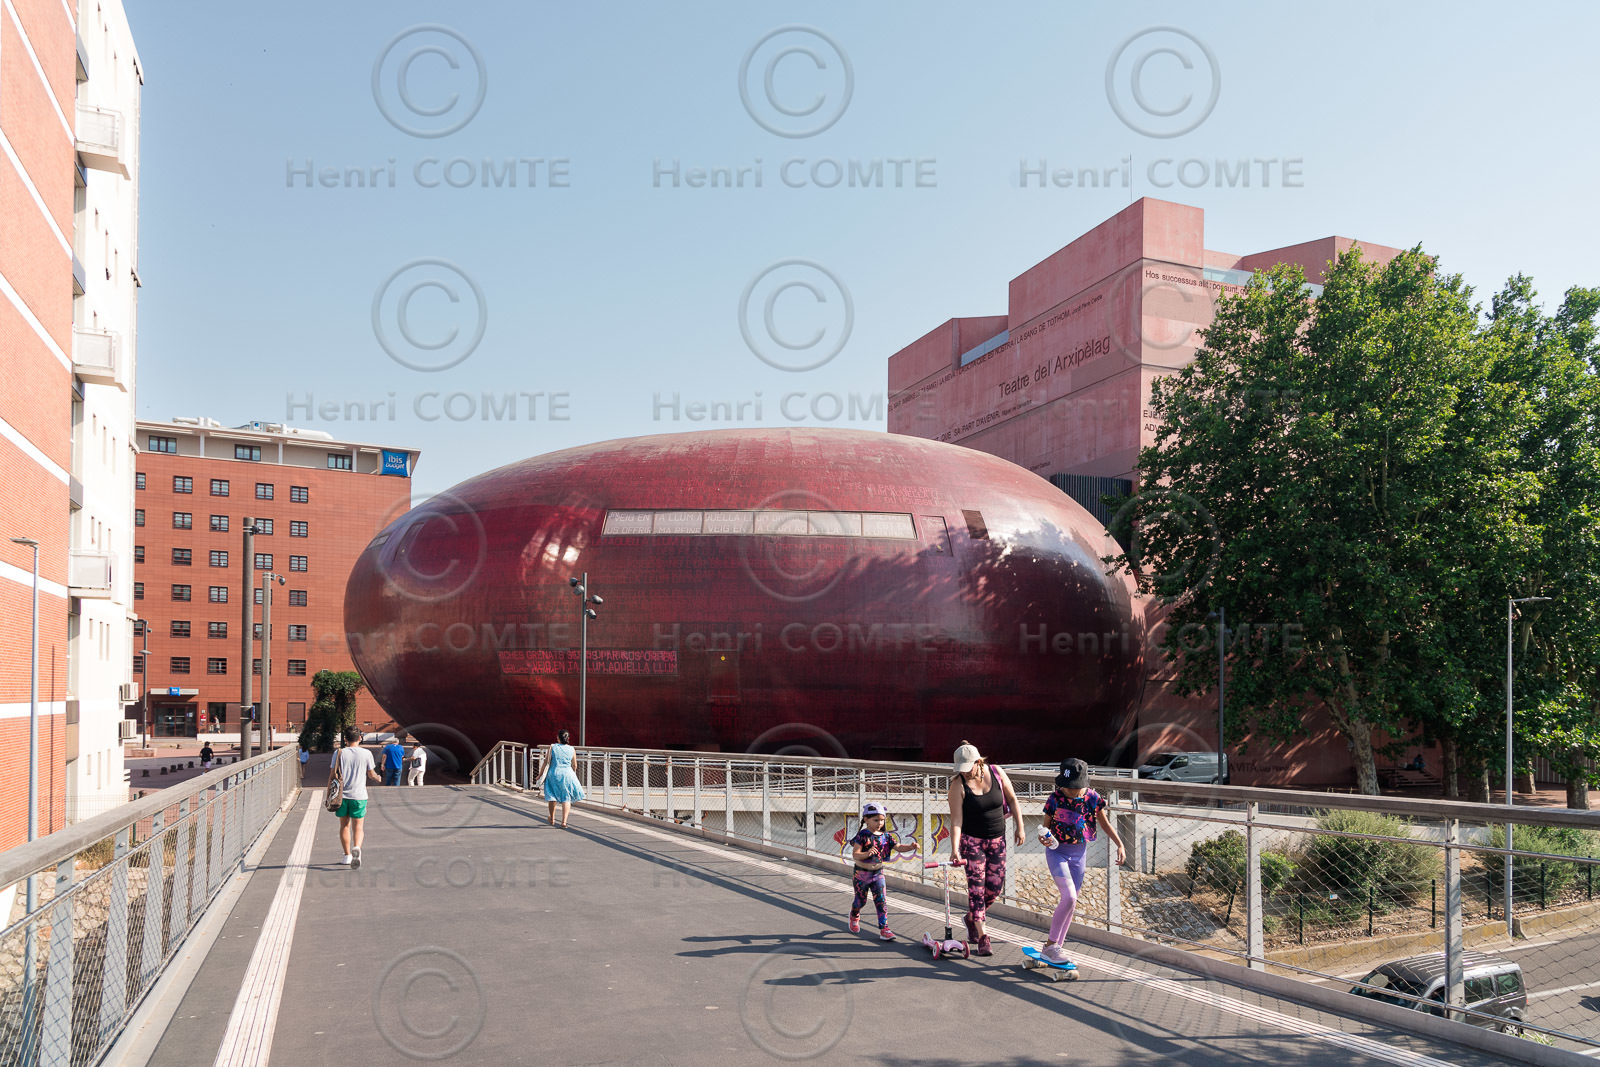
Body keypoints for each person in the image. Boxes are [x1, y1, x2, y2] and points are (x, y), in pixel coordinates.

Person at [1037, 758, 1126, 965]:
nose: (1069, 790)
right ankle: (1050, 946)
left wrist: (1120, 844)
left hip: (1080, 853)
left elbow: (1104, 824)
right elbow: (1045, 828)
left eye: (1074, 787)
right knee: (1068, 897)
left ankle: (1057, 946)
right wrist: (1044, 837)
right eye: (1066, 786)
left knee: (1072, 903)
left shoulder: (1092, 798)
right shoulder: (1054, 798)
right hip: (1057, 851)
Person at [945, 741, 1022, 955]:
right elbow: (956, 821)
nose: (964, 773)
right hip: (972, 843)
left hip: (997, 840)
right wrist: (954, 849)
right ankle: (982, 936)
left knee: (995, 888)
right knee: (976, 889)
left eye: (967, 768)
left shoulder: (996, 772)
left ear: (978, 763)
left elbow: (1013, 799)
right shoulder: (957, 786)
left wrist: (1020, 827)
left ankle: (971, 918)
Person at [847, 802, 916, 940]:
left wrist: (910, 847)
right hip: (861, 875)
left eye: (882, 820)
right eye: (876, 820)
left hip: (878, 874)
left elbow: (898, 846)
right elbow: (856, 855)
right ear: (866, 820)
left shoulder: (886, 836)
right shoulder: (862, 835)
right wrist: (866, 854)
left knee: (881, 901)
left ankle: (884, 929)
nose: (880, 823)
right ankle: (854, 914)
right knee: (860, 901)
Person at [329, 726, 379, 868]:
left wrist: (328, 794)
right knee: (358, 827)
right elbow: (371, 774)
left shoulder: (339, 753)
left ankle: (347, 856)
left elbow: (332, 775)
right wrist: (378, 777)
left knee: (344, 825)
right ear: (360, 738)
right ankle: (357, 847)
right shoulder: (366, 753)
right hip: (359, 796)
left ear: (345, 739)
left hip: (341, 796)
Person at [535, 729, 585, 827]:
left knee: (552, 796)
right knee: (566, 798)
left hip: (553, 774)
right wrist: (572, 774)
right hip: (567, 775)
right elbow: (574, 765)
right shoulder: (572, 749)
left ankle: (552, 818)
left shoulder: (552, 747)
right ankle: (564, 822)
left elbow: (546, 762)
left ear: (558, 738)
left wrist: (540, 775)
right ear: (568, 739)